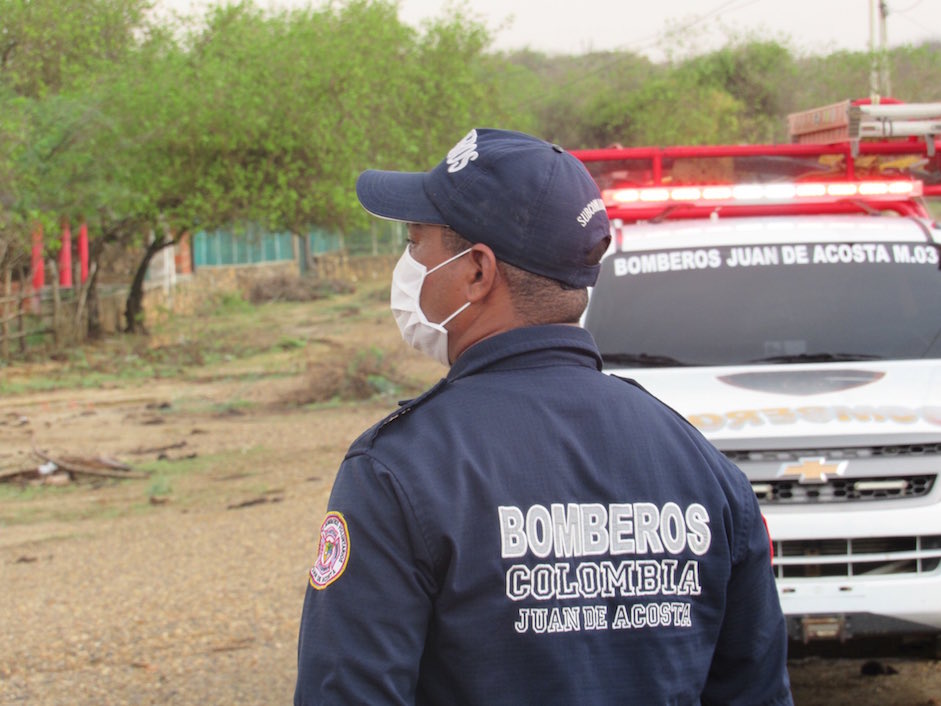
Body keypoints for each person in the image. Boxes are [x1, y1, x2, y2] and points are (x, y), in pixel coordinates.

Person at [295, 128, 793, 705]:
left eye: (415, 243)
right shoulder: (701, 464)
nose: (407, 265)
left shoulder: (398, 471)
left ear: (478, 272)